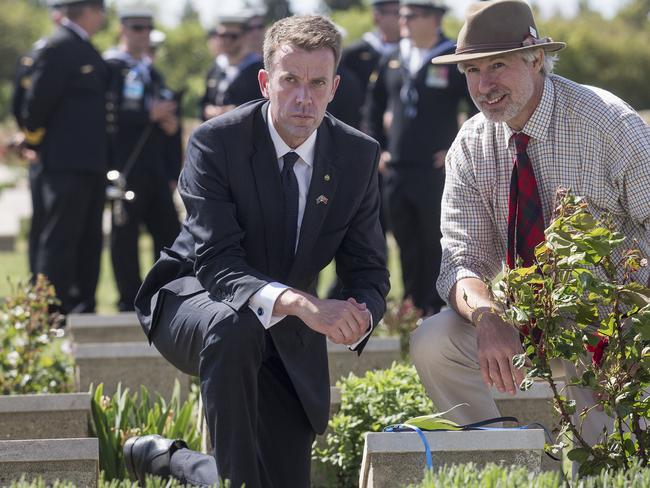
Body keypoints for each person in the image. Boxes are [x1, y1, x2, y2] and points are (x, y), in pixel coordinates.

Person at [125, 15, 389, 488]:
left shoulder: (357, 155)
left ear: (335, 88)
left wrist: (360, 314)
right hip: (196, 299)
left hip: (290, 329)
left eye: (317, 83)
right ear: (266, 81)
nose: (303, 97)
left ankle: (172, 460)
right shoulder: (216, 141)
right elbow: (219, 263)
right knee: (235, 324)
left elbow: (368, 267)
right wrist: (305, 305)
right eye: (290, 80)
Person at [410, 0, 650, 446]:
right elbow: (460, 257)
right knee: (434, 340)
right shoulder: (471, 144)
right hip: (524, 320)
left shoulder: (608, 124)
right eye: (471, 71)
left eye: (497, 66)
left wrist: (636, 326)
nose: (484, 85)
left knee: (605, 454)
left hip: (619, 322)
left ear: (536, 59)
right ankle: (498, 459)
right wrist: (486, 318)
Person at [366, 0, 473, 316]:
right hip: (397, 168)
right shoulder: (394, 57)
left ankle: (438, 305)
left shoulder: (454, 57)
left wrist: (458, 146)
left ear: (434, 18)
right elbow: (373, 108)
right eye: (401, 15)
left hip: (434, 170)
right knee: (404, 239)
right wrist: (378, 146)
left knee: (433, 239)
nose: (403, 21)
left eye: (410, 16)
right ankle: (413, 304)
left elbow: (478, 106)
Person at [22, 0, 109, 314]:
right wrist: (34, 140)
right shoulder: (59, 46)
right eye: (100, 10)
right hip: (63, 165)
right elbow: (35, 105)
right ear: (87, 11)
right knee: (59, 240)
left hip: (90, 163)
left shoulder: (83, 46)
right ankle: (49, 314)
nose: (103, 16)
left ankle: (82, 307)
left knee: (87, 240)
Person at [104, 8, 181, 312]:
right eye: (137, 27)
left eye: (148, 28)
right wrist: (148, 114)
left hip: (156, 169)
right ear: (122, 29)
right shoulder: (111, 67)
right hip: (125, 167)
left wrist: (170, 125)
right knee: (125, 237)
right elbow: (106, 115)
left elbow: (165, 115)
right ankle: (129, 299)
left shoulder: (151, 71)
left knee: (169, 235)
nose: (144, 33)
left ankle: (164, 295)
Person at [10, 5, 63, 277]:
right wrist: (32, 143)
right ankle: (38, 285)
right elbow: (24, 106)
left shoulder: (67, 50)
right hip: (43, 155)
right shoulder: (41, 52)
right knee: (43, 225)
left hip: (53, 152)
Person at [199, 14, 264, 121]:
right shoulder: (216, 68)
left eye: (233, 36)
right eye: (222, 35)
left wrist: (235, 111)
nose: (226, 40)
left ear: (245, 37)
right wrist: (207, 110)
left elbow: (263, 108)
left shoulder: (258, 69)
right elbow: (203, 103)